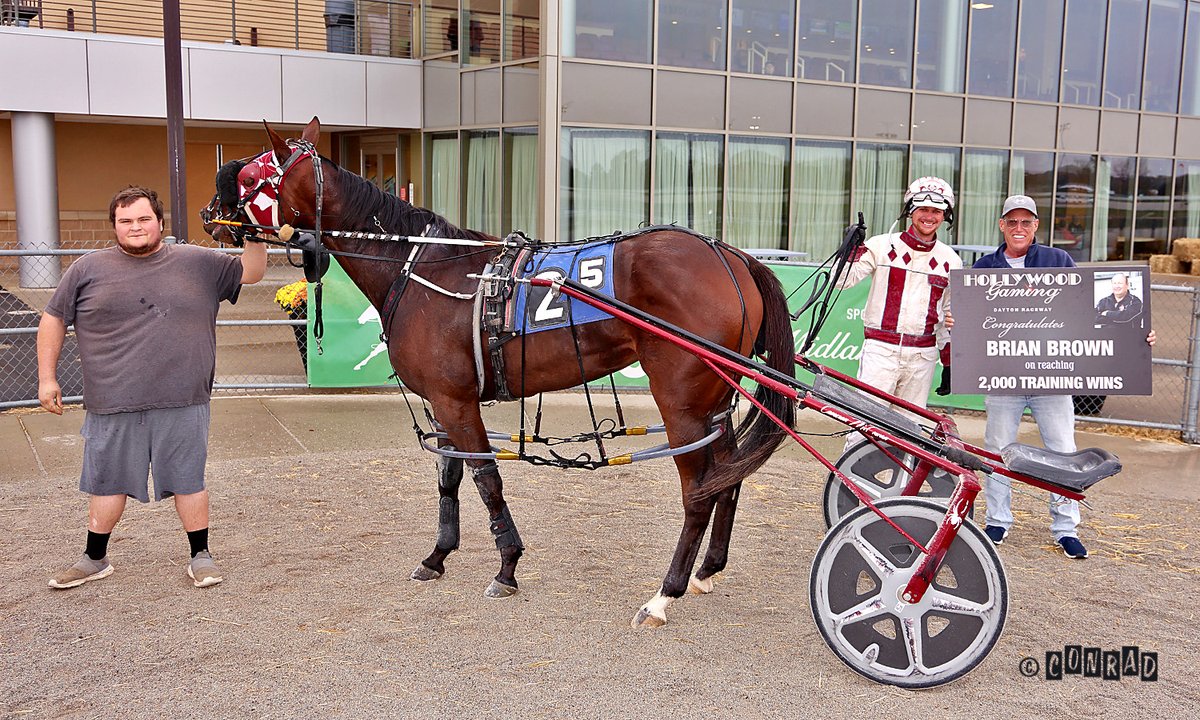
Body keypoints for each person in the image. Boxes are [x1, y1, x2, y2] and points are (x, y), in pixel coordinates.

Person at [37, 185, 267, 589]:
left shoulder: (198, 262)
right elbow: (53, 319)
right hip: (112, 399)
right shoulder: (86, 269)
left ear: (160, 222)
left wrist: (255, 231)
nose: (136, 227)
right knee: (107, 482)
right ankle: (94, 558)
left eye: (144, 219)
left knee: (188, 480)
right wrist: (46, 377)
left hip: (183, 396)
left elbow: (251, 272)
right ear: (114, 226)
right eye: (125, 221)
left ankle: (201, 556)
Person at [970, 195, 1154, 559]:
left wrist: (1136, 335)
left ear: (1036, 225)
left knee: (1063, 451)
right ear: (1001, 225)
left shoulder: (1058, 261)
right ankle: (997, 521)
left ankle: (1065, 527)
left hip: (1050, 376)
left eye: (1026, 222)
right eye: (1012, 222)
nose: (1019, 228)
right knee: (997, 449)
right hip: (1004, 376)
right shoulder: (983, 268)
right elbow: (972, 318)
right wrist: (957, 323)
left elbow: (1086, 313)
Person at [837, 176, 962, 422]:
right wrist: (850, 249)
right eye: (923, 209)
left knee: (909, 430)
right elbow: (842, 282)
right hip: (881, 350)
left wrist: (948, 362)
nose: (929, 216)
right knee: (864, 423)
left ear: (945, 215)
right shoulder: (881, 245)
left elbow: (949, 315)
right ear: (910, 211)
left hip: (923, 356)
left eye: (936, 210)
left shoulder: (951, 259)